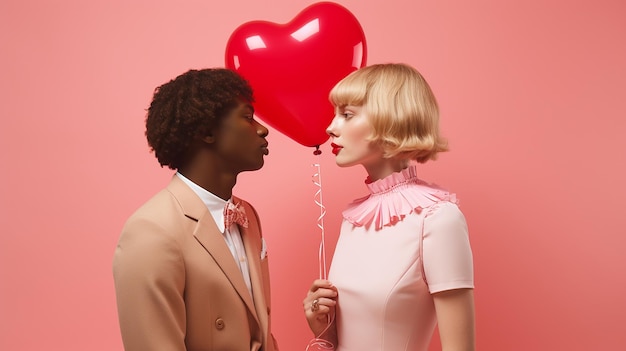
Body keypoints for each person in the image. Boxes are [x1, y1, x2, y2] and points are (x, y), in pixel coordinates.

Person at [303, 63, 475, 351]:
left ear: (391, 119)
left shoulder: (438, 218)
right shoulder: (354, 218)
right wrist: (324, 329)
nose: (330, 128)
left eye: (347, 115)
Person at [113, 68, 278, 351]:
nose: (262, 129)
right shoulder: (151, 230)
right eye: (248, 117)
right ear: (207, 132)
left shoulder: (248, 214)